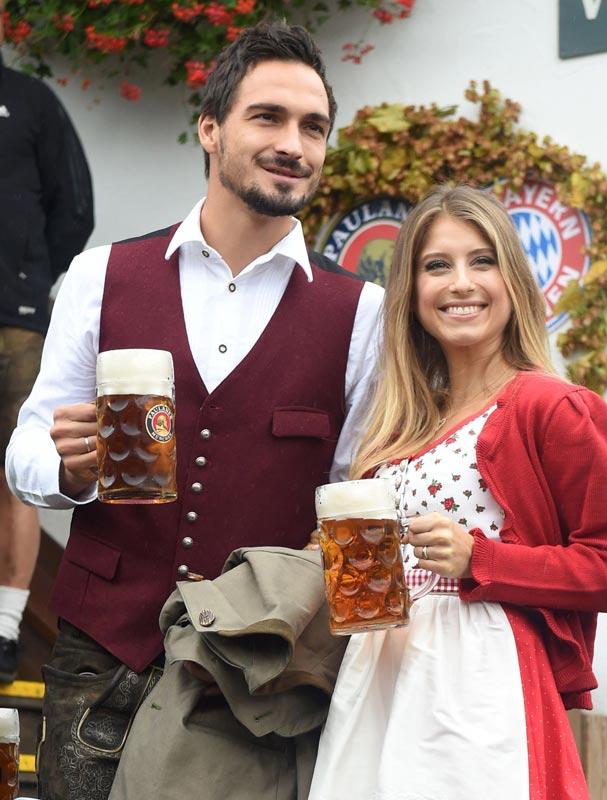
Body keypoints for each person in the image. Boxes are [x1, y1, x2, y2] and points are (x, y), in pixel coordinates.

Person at [6, 20, 382, 800]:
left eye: (314, 127)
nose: (294, 145)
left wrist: (355, 670)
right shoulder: (101, 274)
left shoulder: (362, 313)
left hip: (248, 685)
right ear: (210, 128)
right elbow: (26, 452)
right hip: (99, 660)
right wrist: (71, 471)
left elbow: (356, 500)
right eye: (268, 117)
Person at [307, 185, 607, 800]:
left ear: (512, 280)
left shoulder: (554, 407)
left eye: (482, 261)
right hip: (376, 682)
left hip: (481, 687)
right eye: (437, 265)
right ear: (412, 291)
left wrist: (481, 559)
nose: (461, 283)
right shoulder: (398, 427)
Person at [0, 8, 93, 683]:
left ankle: (5, 631)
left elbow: (74, 207)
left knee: (17, 469)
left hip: (17, 320)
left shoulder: (30, 100)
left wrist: (30, 281)